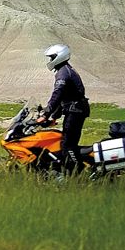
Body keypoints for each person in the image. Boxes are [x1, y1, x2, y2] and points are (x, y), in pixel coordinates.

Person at [38, 43, 88, 174]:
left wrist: (45, 114)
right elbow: (63, 99)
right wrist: (53, 117)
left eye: (52, 57)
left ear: (59, 56)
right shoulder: (65, 70)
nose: (50, 60)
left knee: (67, 145)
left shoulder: (63, 73)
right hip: (75, 111)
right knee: (64, 142)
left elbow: (57, 94)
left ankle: (78, 174)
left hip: (75, 112)